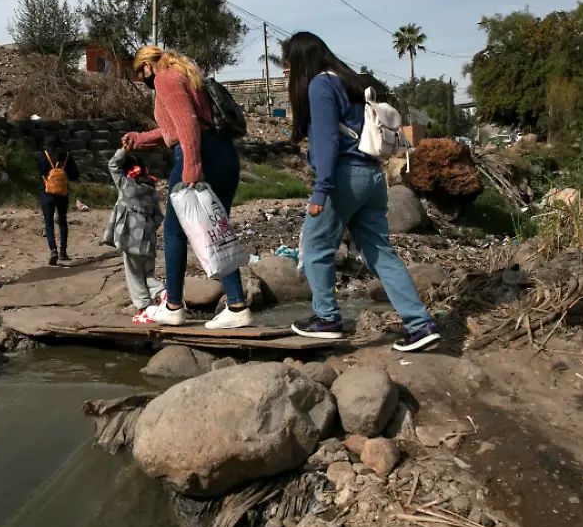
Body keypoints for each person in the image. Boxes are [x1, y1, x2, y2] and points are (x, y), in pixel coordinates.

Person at [282, 31, 441, 351]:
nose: (287, 69)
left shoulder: (320, 85)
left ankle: (326, 318)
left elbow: (327, 142)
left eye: (288, 62)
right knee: (380, 253)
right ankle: (419, 324)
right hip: (373, 176)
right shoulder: (349, 82)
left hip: (343, 178)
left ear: (301, 60)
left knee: (315, 248)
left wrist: (320, 191)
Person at [122, 46, 250, 330]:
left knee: (174, 233)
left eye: (139, 72)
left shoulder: (164, 78)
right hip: (224, 154)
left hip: (198, 153)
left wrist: (192, 165)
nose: (141, 79)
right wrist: (141, 139)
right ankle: (237, 304)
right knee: (216, 231)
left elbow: (188, 124)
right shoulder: (187, 75)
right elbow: (181, 124)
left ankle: (174, 307)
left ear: (147, 66)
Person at [102, 149, 167, 323]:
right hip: (149, 238)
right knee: (148, 272)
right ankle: (162, 292)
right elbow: (158, 217)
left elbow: (112, 165)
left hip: (130, 238)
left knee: (134, 274)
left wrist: (123, 150)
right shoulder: (151, 190)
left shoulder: (126, 185)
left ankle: (144, 308)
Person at [37, 135, 80, 265]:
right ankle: (63, 251)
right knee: (62, 221)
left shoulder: (44, 156)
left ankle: (53, 251)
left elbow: (41, 172)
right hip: (62, 193)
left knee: (49, 223)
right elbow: (75, 175)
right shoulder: (66, 156)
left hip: (46, 193)